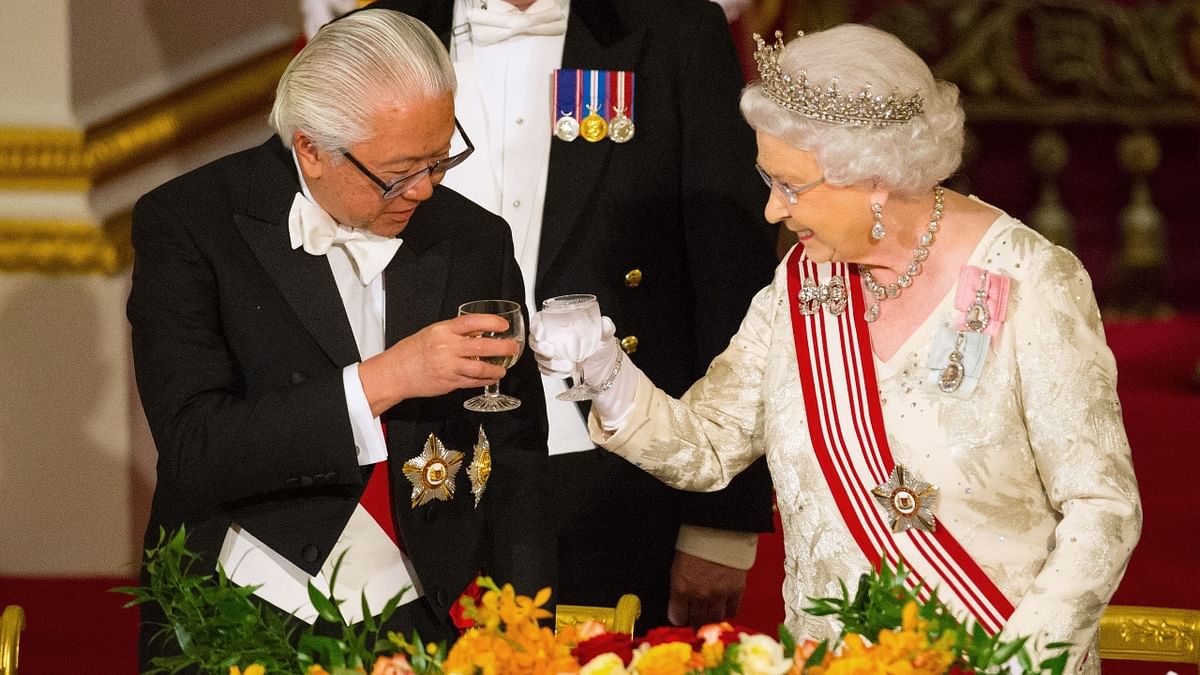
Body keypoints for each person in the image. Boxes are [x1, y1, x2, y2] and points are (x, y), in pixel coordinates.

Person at [531, 24, 1142, 672]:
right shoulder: (801, 282)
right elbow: (709, 446)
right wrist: (607, 377)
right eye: (767, 179)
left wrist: (1023, 659)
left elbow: (1100, 506)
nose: (771, 210)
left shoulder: (1030, 280)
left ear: (875, 178)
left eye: (790, 185)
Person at [127, 9, 552, 667]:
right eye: (401, 170)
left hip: (428, 610)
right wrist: (387, 378)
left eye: (441, 158)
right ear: (310, 148)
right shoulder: (188, 225)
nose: (428, 187)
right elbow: (197, 445)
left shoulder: (472, 238)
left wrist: (522, 622)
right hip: (243, 603)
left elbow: (516, 443)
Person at [362, 0, 779, 629]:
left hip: (616, 471)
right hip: (411, 462)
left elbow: (732, 276)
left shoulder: (672, 29)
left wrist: (720, 523)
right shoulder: (381, 31)